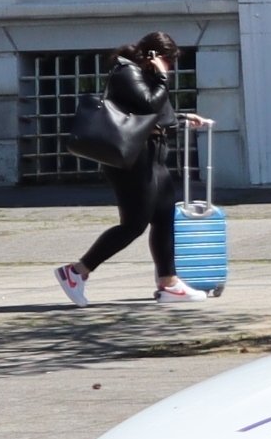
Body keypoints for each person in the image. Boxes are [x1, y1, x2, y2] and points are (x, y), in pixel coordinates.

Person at [55, 32, 216, 307]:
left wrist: (184, 117)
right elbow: (149, 103)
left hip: (153, 158)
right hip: (132, 161)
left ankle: (169, 283)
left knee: (165, 217)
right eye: (168, 60)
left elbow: (151, 114)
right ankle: (76, 271)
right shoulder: (126, 73)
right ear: (154, 56)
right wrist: (162, 77)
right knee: (133, 225)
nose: (171, 67)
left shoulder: (143, 76)